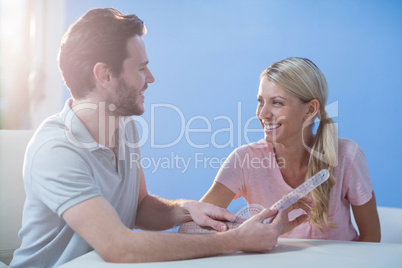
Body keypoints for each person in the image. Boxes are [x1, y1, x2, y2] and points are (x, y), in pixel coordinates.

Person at [10, 9, 313, 267]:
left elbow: (139, 207)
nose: (151, 78)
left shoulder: (122, 126)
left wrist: (182, 208)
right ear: (104, 75)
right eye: (141, 68)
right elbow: (120, 247)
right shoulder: (57, 150)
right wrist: (233, 241)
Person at [201, 57, 381, 242]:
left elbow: (371, 237)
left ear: (310, 109)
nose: (262, 114)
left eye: (277, 103)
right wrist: (237, 236)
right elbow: (193, 228)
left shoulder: (347, 156)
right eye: (260, 101)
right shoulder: (244, 159)